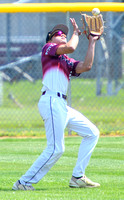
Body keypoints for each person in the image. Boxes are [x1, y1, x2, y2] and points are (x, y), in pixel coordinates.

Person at [12, 18, 100, 191]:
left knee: (92, 133)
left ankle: (77, 177)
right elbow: (71, 47)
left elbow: (87, 66)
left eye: (65, 35)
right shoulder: (48, 49)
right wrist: (76, 33)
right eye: (59, 34)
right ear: (50, 39)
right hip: (51, 100)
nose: (63, 36)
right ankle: (23, 182)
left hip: (61, 105)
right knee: (56, 149)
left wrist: (92, 42)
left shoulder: (65, 60)